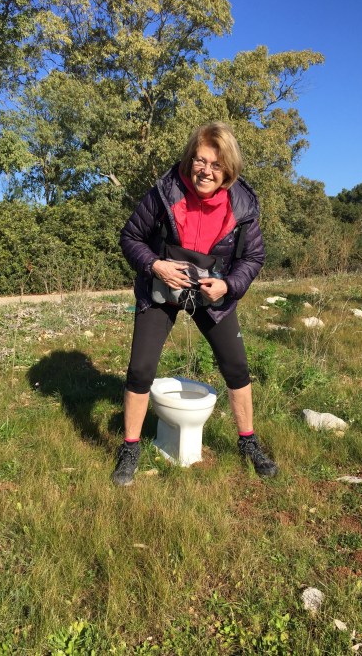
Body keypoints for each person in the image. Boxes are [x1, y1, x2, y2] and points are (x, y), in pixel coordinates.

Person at [112, 122, 278, 486]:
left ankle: (248, 442)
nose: (206, 171)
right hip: (162, 289)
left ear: (229, 170)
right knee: (140, 370)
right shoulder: (164, 192)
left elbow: (253, 257)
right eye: (200, 161)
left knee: (237, 367)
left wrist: (228, 286)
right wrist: (155, 265)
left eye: (216, 165)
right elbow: (131, 237)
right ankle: (130, 448)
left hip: (212, 294)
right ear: (190, 159)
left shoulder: (243, 205)